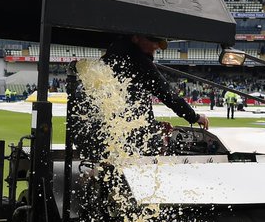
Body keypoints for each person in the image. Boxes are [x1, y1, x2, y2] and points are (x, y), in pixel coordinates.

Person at [75, 33, 208, 157]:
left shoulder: (113, 55)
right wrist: (194, 117)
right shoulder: (137, 59)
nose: (156, 46)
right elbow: (167, 93)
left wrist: (154, 124)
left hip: (101, 137)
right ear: (136, 38)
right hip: (127, 142)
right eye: (153, 41)